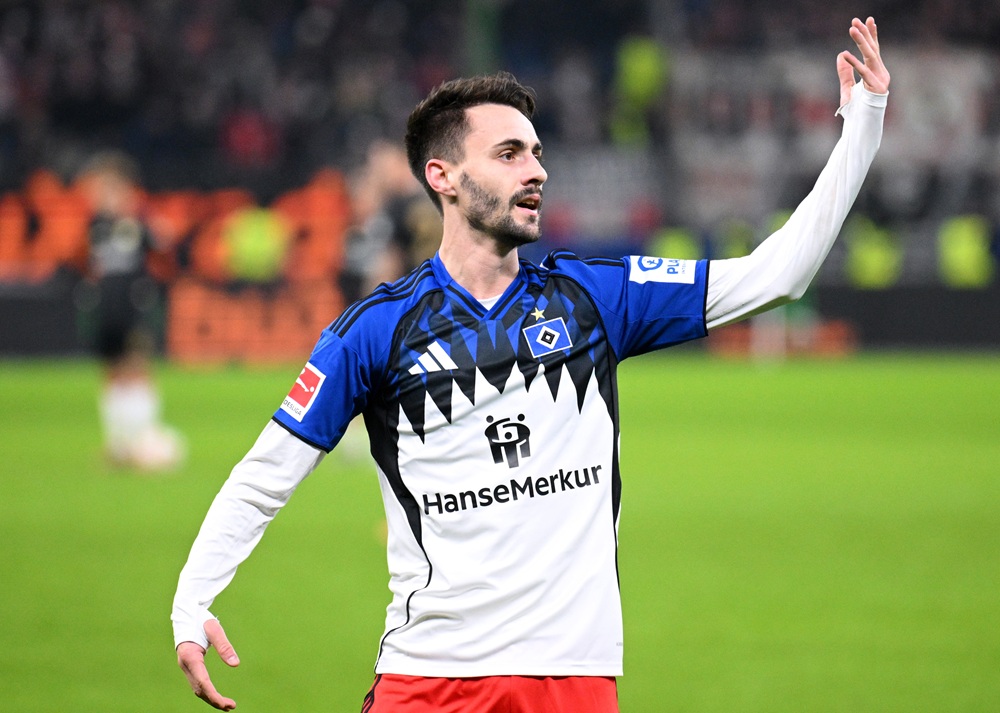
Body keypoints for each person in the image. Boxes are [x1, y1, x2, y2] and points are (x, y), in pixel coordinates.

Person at [172, 17, 889, 712]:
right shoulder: (374, 331)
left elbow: (778, 275)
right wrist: (192, 600)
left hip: (570, 675)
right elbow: (265, 474)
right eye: (510, 153)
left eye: (537, 152)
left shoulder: (593, 297)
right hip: (429, 677)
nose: (537, 169)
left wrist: (865, 121)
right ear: (443, 175)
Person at [80, 151, 185, 472]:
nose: (103, 196)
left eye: (110, 189)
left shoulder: (139, 224)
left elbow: (166, 250)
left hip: (134, 302)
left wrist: (146, 223)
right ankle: (118, 444)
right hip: (106, 304)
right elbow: (87, 265)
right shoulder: (95, 226)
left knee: (137, 365)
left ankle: (144, 439)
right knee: (111, 371)